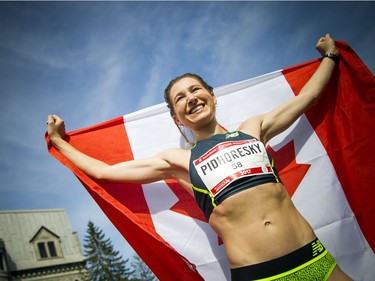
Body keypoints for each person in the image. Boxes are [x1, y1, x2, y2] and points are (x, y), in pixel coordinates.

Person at [47, 34, 352, 280]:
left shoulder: (253, 129)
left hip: (315, 260)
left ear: (212, 96)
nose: (190, 97)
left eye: (195, 89)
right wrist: (60, 142)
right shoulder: (177, 161)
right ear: (177, 118)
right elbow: (104, 172)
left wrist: (330, 56)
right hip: (258, 275)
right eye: (180, 98)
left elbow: (307, 98)